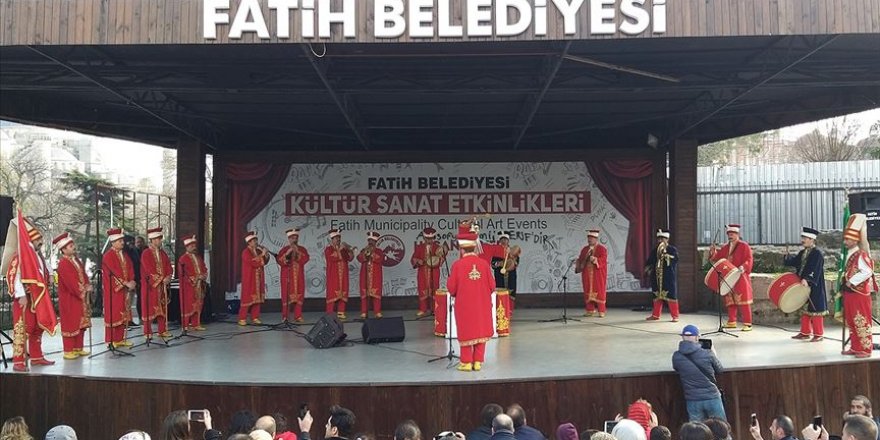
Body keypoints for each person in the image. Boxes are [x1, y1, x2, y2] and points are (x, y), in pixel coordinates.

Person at [3, 219, 56, 372]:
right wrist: (21, 295)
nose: (41, 242)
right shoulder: (20, 256)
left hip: (38, 298)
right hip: (25, 298)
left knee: (36, 328)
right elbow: (13, 276)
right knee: (23, 329)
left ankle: (37, 356)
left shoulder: (37, 255)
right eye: (38, 239)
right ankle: (19, 361)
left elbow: (42, 270)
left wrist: (50, 275)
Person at [448, 221, 496, 372]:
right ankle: (478, 362)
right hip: (482, 305)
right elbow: (492, 286)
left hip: (464, 306)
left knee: (467, 331)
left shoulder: (457, 265)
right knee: (480, 330)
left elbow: (451, 288)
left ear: (462, 249)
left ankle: (466, 362)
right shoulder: (483, 264)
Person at [840, 214, 878, 358]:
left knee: (860, 320)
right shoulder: (852, 254)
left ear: (855, 239)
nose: (845, 241)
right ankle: (855, 346)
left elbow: (867, 271)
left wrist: (851, 281)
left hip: (859, 293)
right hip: (850, 292)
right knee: (852, 320)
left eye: (848, 239)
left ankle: (865, 349)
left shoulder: (861, 254)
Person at [672, 324, 726, 421]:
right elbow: (720, 370)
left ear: (683, 337)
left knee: (696, 432)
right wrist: (714, 355)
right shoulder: (708, 354)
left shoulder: (676, 356)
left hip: (692, 399)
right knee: (721, 429)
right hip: (712, 397)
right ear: (697, 337)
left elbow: (676, 368)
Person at [782, 227, 828, 341]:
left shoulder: (817, 253)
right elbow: (795, 262)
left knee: (816, 309)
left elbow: (815, 269)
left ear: (812, 239)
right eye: (802, 238)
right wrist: (786, 256)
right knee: (805, 309)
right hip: (803, 284)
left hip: (814, 285)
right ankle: (805, 332)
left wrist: (807, 279)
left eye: (805, 238)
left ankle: (818, 334)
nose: (803, 240)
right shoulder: (803, 252)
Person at [708, 224, 754, 331]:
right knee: (730, 300)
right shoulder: (725, 247)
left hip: (740, 275)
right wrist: (713, 252)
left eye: (732, 234)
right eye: (729, 234)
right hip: (729, 277)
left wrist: (744, 266)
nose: (730, 236)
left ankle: (748, 323)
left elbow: (749, 259)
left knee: (743, 301)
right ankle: (732, 321)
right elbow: (718, 258)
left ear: (737, 234)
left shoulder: (744, 246)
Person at [54, 232, 92, 359]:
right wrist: (82, 290)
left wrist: (87, 284)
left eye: (72, 245)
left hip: (79, 297)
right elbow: (70, 282)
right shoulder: (63, 264)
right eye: (70, 246)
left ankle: (78, 347)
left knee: (81, 323)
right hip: (70, 298)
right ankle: (68, 350)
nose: (73, 247)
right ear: (63, 250)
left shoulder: (75, 260)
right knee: (71, 322)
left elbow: (84, 274)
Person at [102, 228, 135, 348]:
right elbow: (113, 272)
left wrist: (131, 280)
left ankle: (120, 339)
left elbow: (131, 268)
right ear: (113, 242)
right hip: (114, 291)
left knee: (123, 315)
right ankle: (111, 340)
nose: (122, 242)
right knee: (114, 315)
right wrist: (125, 283)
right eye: (120, 240)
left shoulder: (125, 255)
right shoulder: (108, 256)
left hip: (124, 289)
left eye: (122, 240)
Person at [141, 226, 173, 340]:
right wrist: (160, 279)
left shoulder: (163, 253)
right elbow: (148, 269)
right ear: (153, 240)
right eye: (159, 239)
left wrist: (169, 276)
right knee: (149, 308)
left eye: (160, 238)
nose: (160, 241)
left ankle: (162, 330)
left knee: (163, 308)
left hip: (162, 285)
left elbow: (169, 266)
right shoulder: (146, 253)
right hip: (151, 286)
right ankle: (147, 332)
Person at [276, 228, 310, 323]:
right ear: (289, 239)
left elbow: (305, 259)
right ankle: (285, 316)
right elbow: (280, 261)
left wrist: (297, 252)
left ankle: (298, 316)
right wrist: (288, 253)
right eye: (292, 238)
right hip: (287, 277)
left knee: (299, 295)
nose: (294, 240)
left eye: (296, 238)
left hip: (299, 277)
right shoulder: (284, 249)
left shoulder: (302, 249)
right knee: (287, 296)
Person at [645, 229, 679, 322]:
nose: (660, 240)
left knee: (671, 295)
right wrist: (648, 269)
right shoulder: (655, 250)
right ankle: (656, 315)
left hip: (668, 276)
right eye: (659, 238)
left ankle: (675, 316)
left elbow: (675, 259)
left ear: (667, 239)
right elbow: (650, 262)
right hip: (656, 276)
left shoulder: (672, 249)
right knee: (656, 296)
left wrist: (666, 255)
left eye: (662, 238)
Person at [411, 227, 446, 317]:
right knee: (422, 289)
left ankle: (435, 309)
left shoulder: (438, 247)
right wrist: (418, 261)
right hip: (422, 272)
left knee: (434, 289)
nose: (429, 240)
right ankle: (423, 309)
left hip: (434, 272)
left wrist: (438, 259)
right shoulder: (419, 247)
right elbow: (413, 258)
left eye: (431, 238)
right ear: (424, 238)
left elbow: (441, 259)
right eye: (427, 238)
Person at [178, 234, 209, 331]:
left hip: (199, 285)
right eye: (192, 246)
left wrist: (204, 274)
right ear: (187, 247)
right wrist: (195, 278)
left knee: (198, 304)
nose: (194, 247)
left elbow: (204, 267)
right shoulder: (183, 259)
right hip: (189, 286)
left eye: (194, 245)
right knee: (188, 305)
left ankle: (196, 323)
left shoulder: (198, 257)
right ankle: (185, 325)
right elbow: (183, 273)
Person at [575, 229, 608, 317]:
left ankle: (601, 310)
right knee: (587, 290)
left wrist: (596, 260)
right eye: (588, 238)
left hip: (597, 274)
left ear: (596, 239)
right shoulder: (585, 249)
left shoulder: (602, 249)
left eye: (591, 238)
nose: (589, 240)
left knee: (599, 290)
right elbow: (581, 259)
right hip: (587, 274)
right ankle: (590, 310)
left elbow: (603, 259)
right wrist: (578, 262)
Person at [239, 231, 270, 326]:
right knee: (247, 298)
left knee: (258, 298)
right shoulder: (245, 252)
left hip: (258, 278)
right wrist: (262, 255)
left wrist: (266, 254)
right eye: (254, 241)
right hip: (250, 278)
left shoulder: (258, 251)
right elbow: (253, 262)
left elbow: (264, 262)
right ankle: (242, 318)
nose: (256, 242)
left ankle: (255, 317)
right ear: (249, 242)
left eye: (256, 240)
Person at [325, 229, 354, 319]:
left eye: (339, 238)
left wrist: (349, 250)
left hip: (343, 275)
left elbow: (349, 258)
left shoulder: (343, 249)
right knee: (332, 292)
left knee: (343, 292)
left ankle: (341, 311)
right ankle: (330, 312)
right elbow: (331, 258)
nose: (338, 240)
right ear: (332, 239)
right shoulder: (328, 249)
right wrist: (339, 250)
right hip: (333, 275)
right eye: (336, 238)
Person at [357, 231, 385, 319]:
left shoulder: (379, 251)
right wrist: (364, 254)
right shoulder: (364, 249)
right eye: (369, 240)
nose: (370, 242)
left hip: (375, 276)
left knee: (376, 295)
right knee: (364, 294)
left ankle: (377, 312)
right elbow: (359, 258)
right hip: (365, 275)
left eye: (372, 241)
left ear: (375, 242)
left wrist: (372, 254)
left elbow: (380, 259)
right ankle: (364, 312)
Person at [491, 231, 521, 307]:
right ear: (499, 241)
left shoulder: (513, 251)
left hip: (510, 277)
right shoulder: (496, 252)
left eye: (505, 239)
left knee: (511, 294)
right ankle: (501, 312)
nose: (504, 241)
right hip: (500, 277)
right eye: (502, 239)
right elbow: (493, 264)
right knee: (500, 294)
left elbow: (515, 263)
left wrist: (510, 260)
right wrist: (501, 263)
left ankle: (509, 312)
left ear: (508, 241)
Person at [124, 235, 143, 326]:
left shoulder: (134, 251)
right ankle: (126, 319)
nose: (131, 244)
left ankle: (132, 319)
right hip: (127, 281)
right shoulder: (124, 253)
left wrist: (137, 279)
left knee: (133, 301)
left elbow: (137, 265)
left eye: (132, 242)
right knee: (127, 301)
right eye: (129, 242)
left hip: (136, 279)